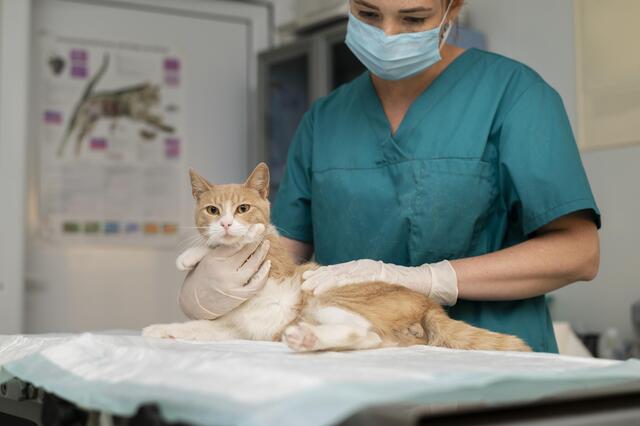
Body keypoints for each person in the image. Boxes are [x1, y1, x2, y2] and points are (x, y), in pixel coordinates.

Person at [180, 0, 600, 353]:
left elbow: (579, 252)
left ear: (453, 7)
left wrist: (428, 279)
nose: (388, 34)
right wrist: (217, 278)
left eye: (413, 18)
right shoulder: (325, 118)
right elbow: (285, 247)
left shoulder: (515, 94)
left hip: (488, 364)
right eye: (367, 13)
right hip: (353, 363)